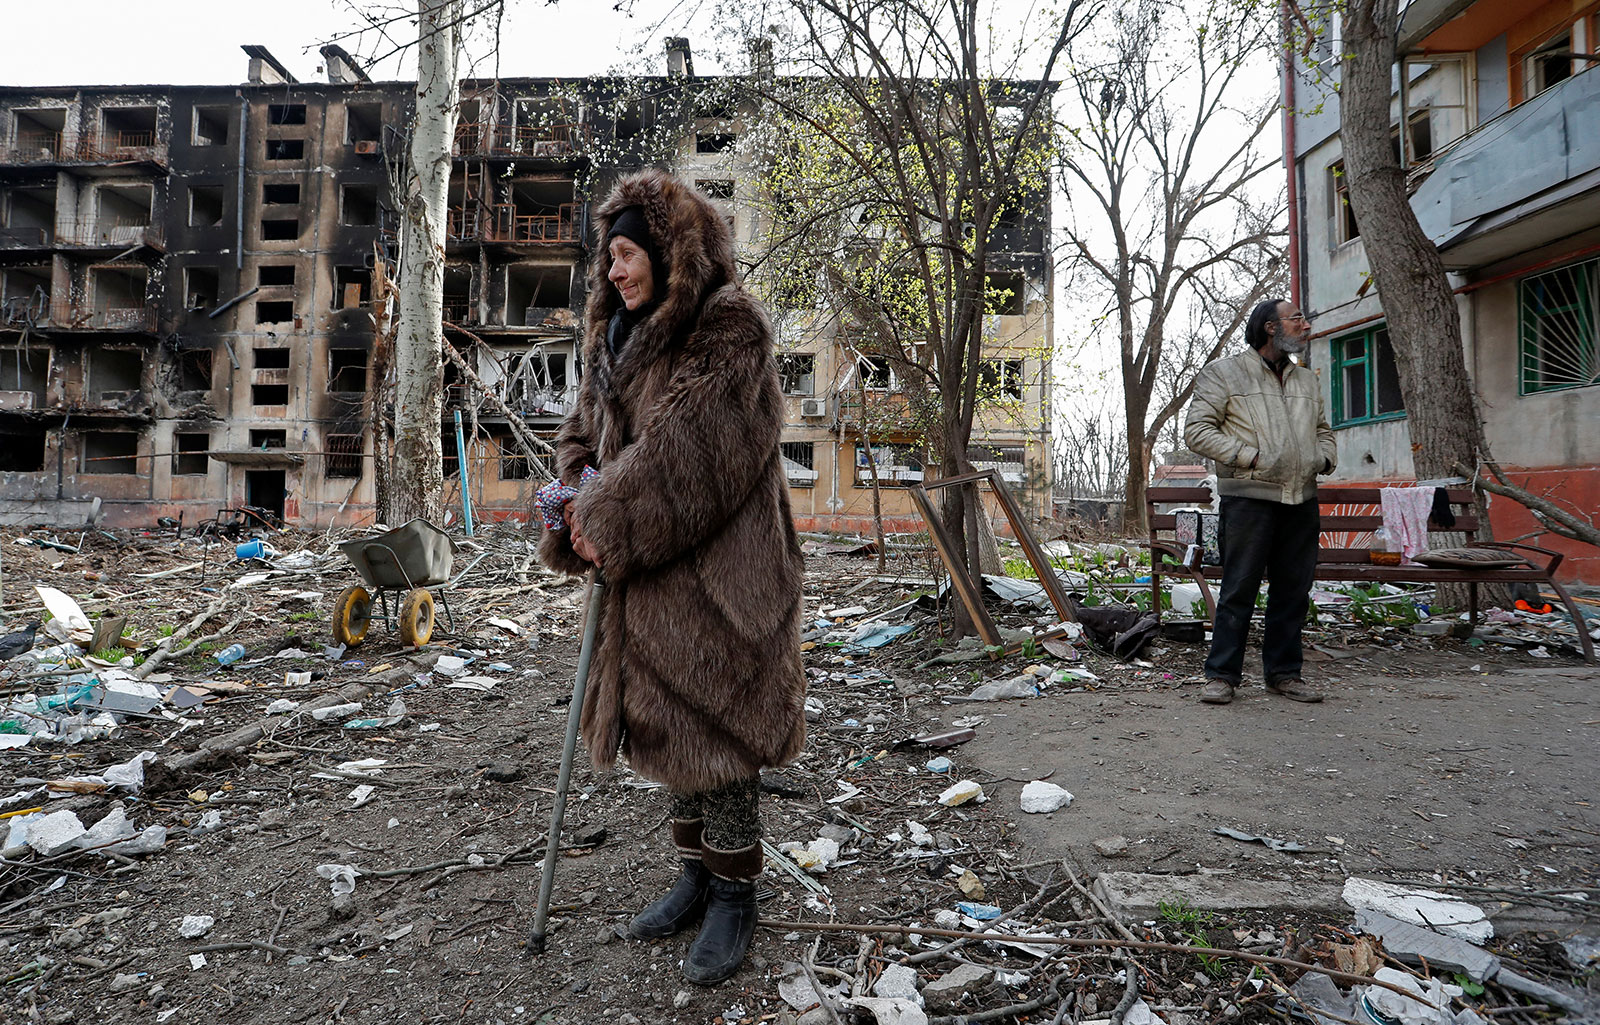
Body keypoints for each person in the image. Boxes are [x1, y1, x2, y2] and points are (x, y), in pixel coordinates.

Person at [537, 169, 807, 984]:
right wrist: (573, 494)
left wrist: (603, 519)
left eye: (627, 254)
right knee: (669, 730)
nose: (614, 271)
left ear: (669, 252)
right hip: (649, 571)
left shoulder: (729, 329)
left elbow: (691, 456)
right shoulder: (615, 333)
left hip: (726, 577)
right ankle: (694, 877)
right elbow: (583, 432)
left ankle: (735, 896)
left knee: (720, 734)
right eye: (608, 257)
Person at [1183, 298, 1336, 706]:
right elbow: (1197, 430)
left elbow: (1324, 430)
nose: (1305, 324)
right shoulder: (1225, 373)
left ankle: (1284, 674)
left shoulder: (1306, 379)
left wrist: (1324, 457)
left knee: (1293, 591)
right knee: (1239, 589)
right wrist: (1249, 456)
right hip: (1250, 498)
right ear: (1271, 327)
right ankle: (1221, 676)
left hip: (1301, 497)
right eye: (1297, 318)